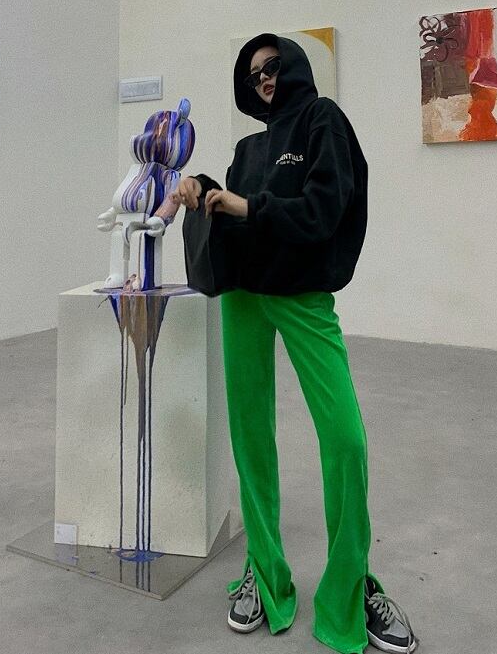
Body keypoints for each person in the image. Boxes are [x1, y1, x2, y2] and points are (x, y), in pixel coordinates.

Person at [172, 34, 417, 654]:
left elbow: (324, 209)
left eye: (273, 66)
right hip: (242, 298)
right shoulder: (249, 147)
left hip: (302, 295)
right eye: (254, 73)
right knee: (251, 439)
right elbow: (234, 208)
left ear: (296, 65)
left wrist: (251, 207)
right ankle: (264, 573)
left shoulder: (322, 120)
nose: (264, 79)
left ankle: (352, 587)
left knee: (345, 438)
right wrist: (201, 186)